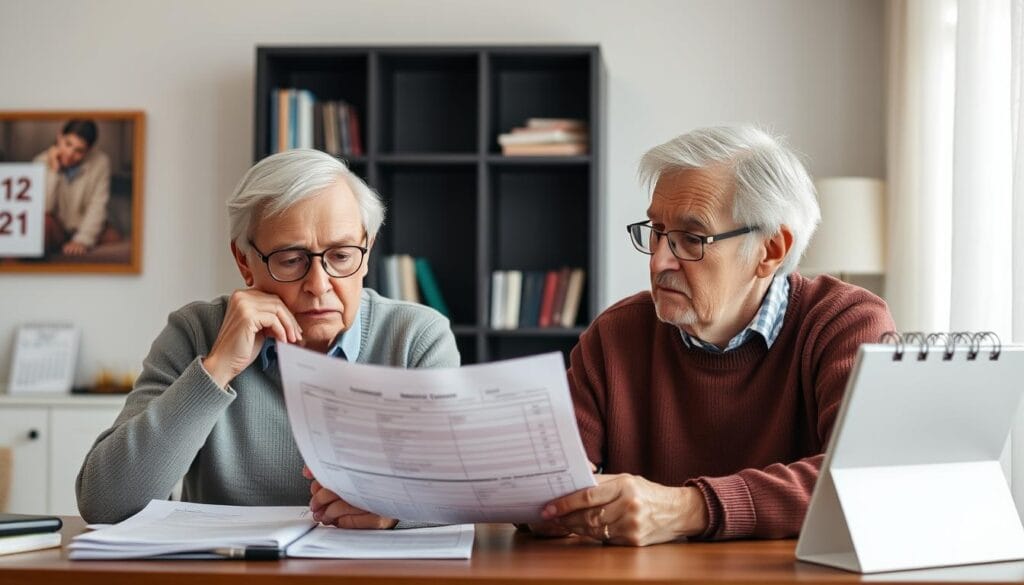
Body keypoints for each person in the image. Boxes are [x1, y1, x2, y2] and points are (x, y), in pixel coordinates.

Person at [533, 126, 895, 545]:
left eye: (691, 238)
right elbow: (548, 483)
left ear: (770, 250)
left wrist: (688, 508)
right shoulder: (617, 335)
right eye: (656, 230)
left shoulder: (845, 323)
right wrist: (545, 504)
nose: (658, 261)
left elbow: (863, 477)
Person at [76, 149, 460, 526]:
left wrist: (400, 510)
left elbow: (463, 490)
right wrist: (215, 371)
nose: (318, 285)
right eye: (291, 260)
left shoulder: (415, 337)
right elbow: (106, 504)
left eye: (342, 256)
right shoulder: (195, 332)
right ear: (244, 261)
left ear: (368, 249)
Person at [35, 119, 114, 256]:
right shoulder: (40, 162)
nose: (70, 154)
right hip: (56, 226)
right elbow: (44, 208)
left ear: (89, 150)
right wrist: (54, 171)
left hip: (82, 225)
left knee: (113, 237)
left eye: (79, 150)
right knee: (44, 222)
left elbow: (98, 205)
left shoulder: (101, 163)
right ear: (59, 137)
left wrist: (82, 240)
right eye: (68, 144)